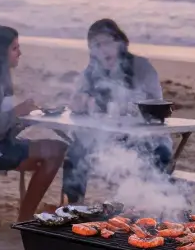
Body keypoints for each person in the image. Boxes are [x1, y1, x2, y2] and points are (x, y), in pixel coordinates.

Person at [0, 26, 68, 220]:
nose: (20, 53)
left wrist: (27, 118)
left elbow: (2, 126)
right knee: (54, 152)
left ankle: (29, 213)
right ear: (0, 53)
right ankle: (25, 218)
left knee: (56, 148)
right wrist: (17, 112)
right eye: (15, 48)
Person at [63, 19, 167, 204]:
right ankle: (73, 207)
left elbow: (157, 107)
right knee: (76, 152)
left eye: (107, 43)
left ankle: (149, 210)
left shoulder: (142, 67)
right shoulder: (91, 71)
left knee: (160, 153)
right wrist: (79, 103)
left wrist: (129, 107)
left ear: (120, 42)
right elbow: (75, 104)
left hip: (141, 137)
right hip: (105, 138)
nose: (103, 50)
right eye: (96, 45)